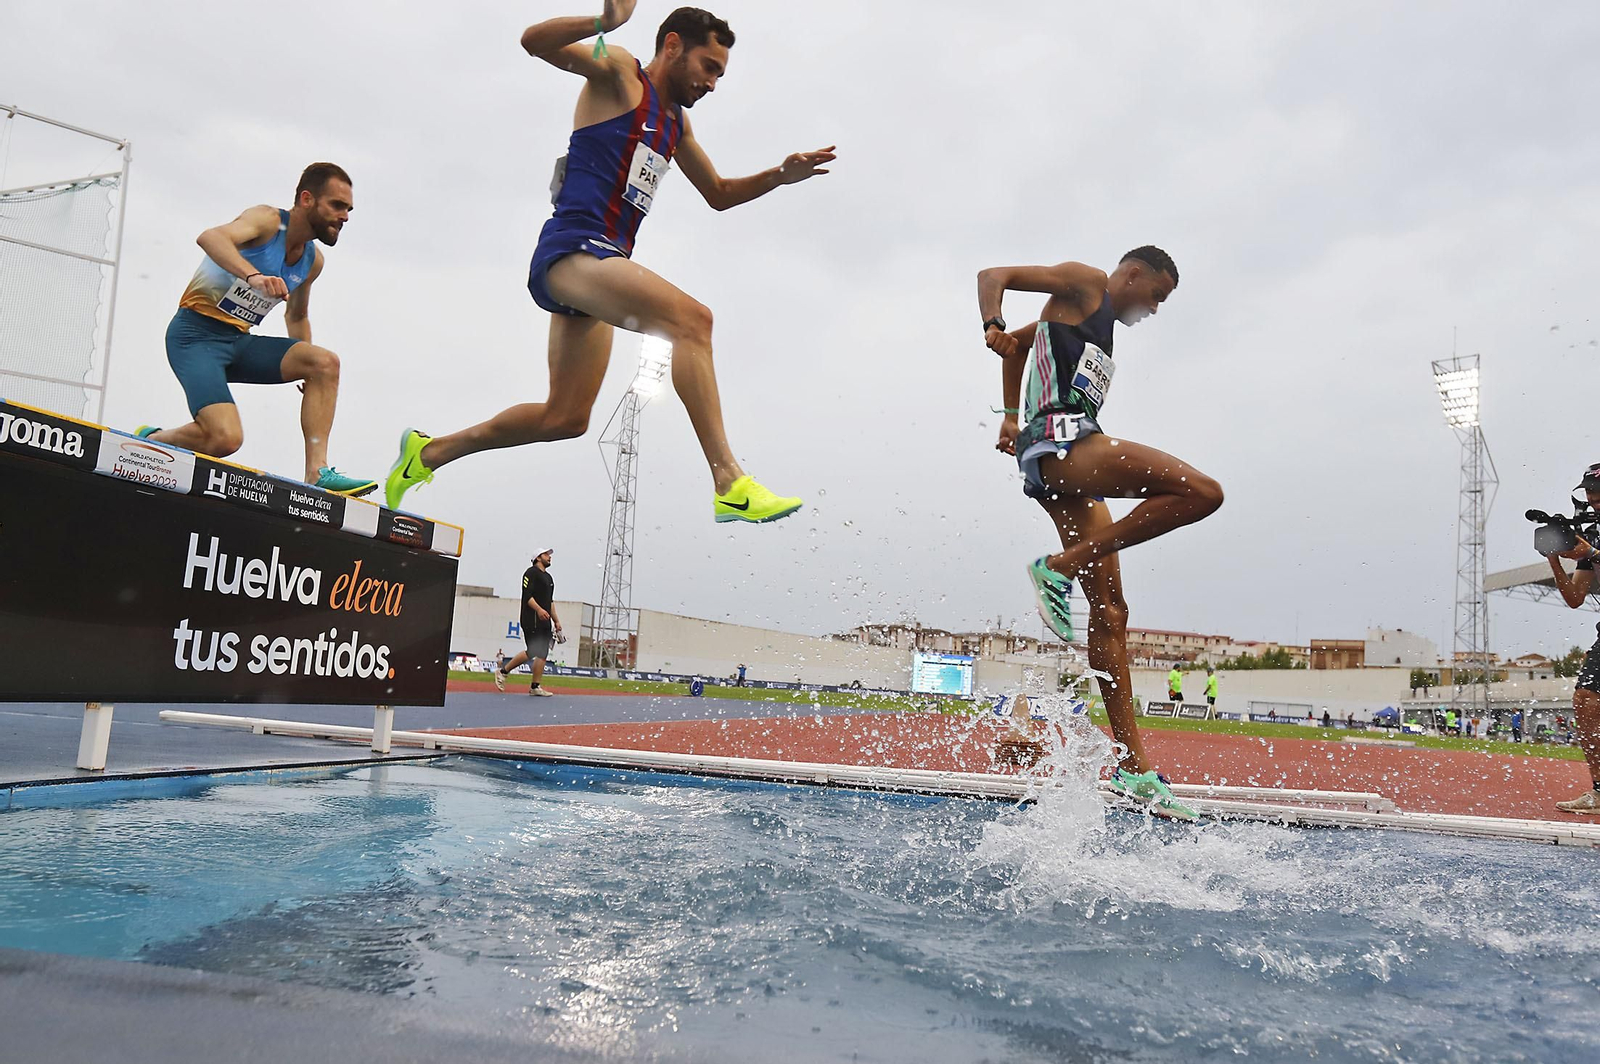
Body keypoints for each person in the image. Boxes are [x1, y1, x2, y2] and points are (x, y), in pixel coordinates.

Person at [383, 4, 834, 524]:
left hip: (602, 265)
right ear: (671, 46)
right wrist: (604, 22)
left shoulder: (676, 126)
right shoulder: (620, 74)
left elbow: (718, 193)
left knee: (566, 417)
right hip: (571, 250)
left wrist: (780, 173)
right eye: (708, 67)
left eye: (720, 73)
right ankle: (729, 481)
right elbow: (534, 41)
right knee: (694, 321)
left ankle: (429, 452)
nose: (713, 83)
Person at [979, 246, 1220, 821]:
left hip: (1062, 461)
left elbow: (1021, 345)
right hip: (1066, 447)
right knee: (1202, 493)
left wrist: (1009, 414)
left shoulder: (1093, 327)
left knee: (1111, 612)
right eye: (1157, 296)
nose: (1155, 311)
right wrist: (989, 322)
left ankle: (1133, 769)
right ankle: (1055, 569)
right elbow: (995, 276)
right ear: (1133, 275)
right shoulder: (1086, 285)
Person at [136, 163, 375, 496]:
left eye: (349, 209)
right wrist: (253, 276)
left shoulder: (312, 261)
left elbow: (297, 314)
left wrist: (306, 367)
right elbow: (210, 237)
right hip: (194, 337)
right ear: (307, 199)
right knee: (224, 439)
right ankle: (154, 439)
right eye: (336, 206)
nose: (345, 216)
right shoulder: (267, 221)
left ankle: (317, 472)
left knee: (324, 364)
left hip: (238, 343)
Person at [1544, 464, 1600, 812]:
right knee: (1585, 699)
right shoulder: (1593, 534)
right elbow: (1575, 597)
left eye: (1598, 492)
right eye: (1590, 493)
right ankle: (1599, 791)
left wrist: (1591, 555)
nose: (1593, 500)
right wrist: (1553, 557)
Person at [494, 549, 563, 696]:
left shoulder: (549, 578)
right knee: (533, 650)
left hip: (545, 620)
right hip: (531, 618)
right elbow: (527, 596)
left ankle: (535, 686)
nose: (549, 557)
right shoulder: (531, 573)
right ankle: (503, 671)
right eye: (546, 554)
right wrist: (538, 610)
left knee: (543, 652)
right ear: (538, 558)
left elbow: (550, 602)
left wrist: (556, 621)